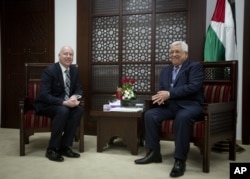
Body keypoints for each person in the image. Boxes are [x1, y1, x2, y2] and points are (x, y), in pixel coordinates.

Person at [134, 41, 204, 177]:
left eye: (177, 51)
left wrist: (170, 94)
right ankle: (154, 153)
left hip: (190, 105)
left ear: (186, 54)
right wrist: (161, 96)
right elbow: (163, 89)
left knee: (182, 117)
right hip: (170, 106)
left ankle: (179, 160)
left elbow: (193, 87)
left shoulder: (194, 67)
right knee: (150, 115)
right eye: (171, 52)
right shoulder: (166, 70)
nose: (173, 54)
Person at [33, 45, 83, 162]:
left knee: (78, 110)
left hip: (64, 103)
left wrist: (74, 97)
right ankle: (52, 148)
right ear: (59, 55)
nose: (68, 56)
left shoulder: (74, 70)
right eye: (65, 53)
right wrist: (64, 102)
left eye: (71, 54)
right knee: (63, 110)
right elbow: (44, 95)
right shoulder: (50, 71)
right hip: (46, 104)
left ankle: (64, 146)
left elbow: (79, 89)